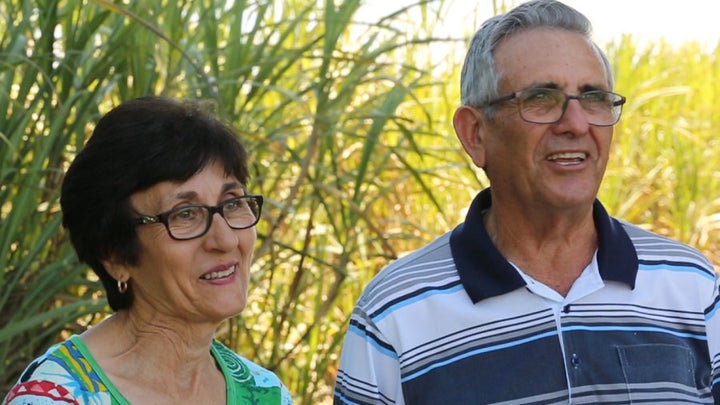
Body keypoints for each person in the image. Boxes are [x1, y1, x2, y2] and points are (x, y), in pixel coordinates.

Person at [333, 1, 720, 403]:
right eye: (541, 98)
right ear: (476, 134)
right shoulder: (396, 314)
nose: (576, 124)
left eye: (593, 97)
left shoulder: (689, 286)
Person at [3, 97, 293, 404]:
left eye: (233, 203)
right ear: (114, 255)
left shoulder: (264, 392)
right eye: (185, 213)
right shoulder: (58, 398)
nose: (225, 240)